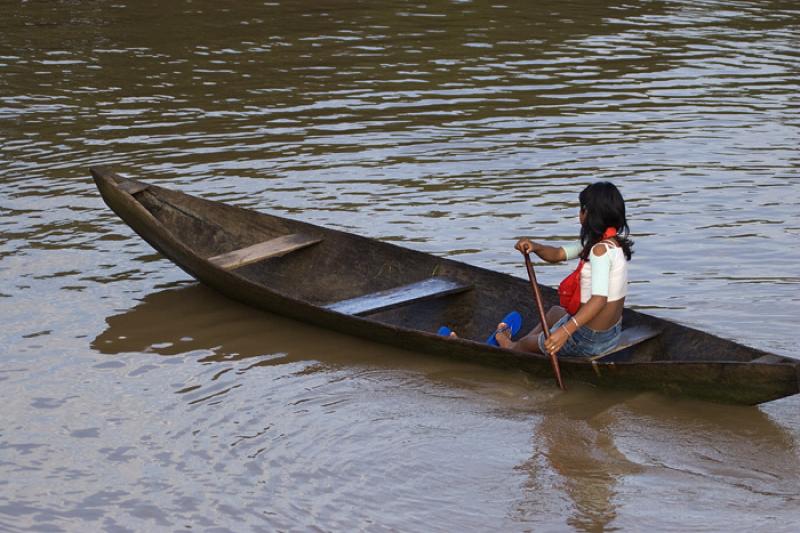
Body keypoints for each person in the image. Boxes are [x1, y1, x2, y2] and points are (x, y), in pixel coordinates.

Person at [495, 182, 633, 357]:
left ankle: (513, 348)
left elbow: (599, 300)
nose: (579, 214)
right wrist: (535, 247)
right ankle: (529, 347)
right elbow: (558, 254)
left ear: (588, 214)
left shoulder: (599, 251)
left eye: (581, 209)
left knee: (525, 343)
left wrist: (564, 332)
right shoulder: (611, 244)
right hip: (610, 334)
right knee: (553, 312)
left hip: (587, 340)